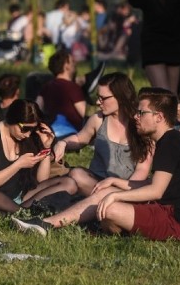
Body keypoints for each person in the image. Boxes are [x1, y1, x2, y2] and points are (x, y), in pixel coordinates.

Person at [13, 88, 180, 241]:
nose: (135, 117)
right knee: (107, 196)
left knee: (110, 209)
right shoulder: (169, 140)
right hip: (166, 211)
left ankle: (53, 224)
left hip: (178, 224)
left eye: (141, 113)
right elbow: (154, 186)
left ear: (159, 117)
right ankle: (46, 224)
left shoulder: (170, 143)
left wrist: (116, 195)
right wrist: (116, 183)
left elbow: (155, 191)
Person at [22, 73, 153, 203]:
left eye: (103, 98)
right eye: (97, 97)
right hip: (95, 183)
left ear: (120, 97)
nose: (97, 102)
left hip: (126, 188)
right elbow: (80, 139)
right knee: (77, 174)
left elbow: (141, 171)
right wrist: (63, 143)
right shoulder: (98, 119)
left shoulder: (141, 124)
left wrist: (125, 192)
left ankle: (110, 202)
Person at [0, 99, 54, 213]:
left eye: (32, 129)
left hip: (18, 198)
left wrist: (47, 148)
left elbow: (42, 180)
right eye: (25, 129)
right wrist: (18, 165)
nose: (28, 134)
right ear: (12, 119)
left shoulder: (26, 137)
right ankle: (23, 213)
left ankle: (22, 210)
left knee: (67, 183)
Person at [36, 48, 86, 135]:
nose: (75, 64)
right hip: (71, 133)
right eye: (72, 61)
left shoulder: (46, 87)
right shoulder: (72, 87)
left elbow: (37, 109)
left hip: (51, 131)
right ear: (66, 66)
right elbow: (84, 113)